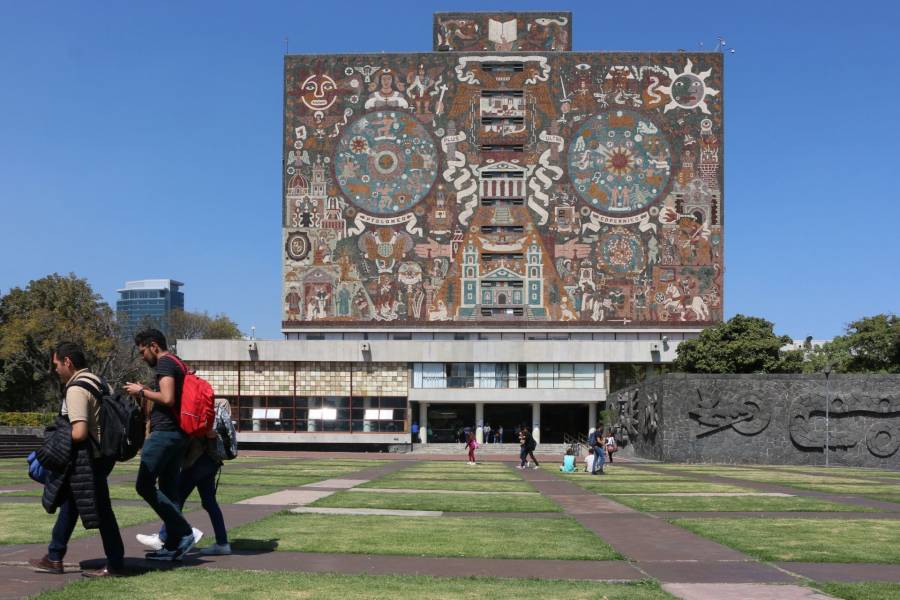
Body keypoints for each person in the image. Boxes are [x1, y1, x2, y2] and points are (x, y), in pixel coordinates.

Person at [29, 342, 124, 578]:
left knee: (101, 510)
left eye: (57, 365)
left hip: (87, 458)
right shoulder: (99, 381)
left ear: (67, 362)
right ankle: (54, 556)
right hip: (103, 455)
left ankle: (115, 564)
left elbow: (79, 431)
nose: (56, 370)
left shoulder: (75, 389)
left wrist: (54, 440)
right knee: (70, 504)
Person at [124, 328, 196, 561]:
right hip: (179, 434)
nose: (142, 357)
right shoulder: (178, 362)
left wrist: (141, 390)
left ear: (154, 345)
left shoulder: (165, 363)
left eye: (143, 351)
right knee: (168, 490)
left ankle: (185, 533)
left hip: (165, 434)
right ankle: (172, 545)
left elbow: (167, 399)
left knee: (143, 485)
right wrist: (144, 395)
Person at [136, 398, 231, 556]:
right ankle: (222, 543)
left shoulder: (195, 406)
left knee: (176, 497)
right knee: (209, 502)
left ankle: (165, 536)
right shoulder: (215, 405)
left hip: (197, 461)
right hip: (211, 460)